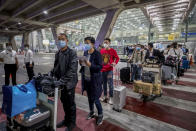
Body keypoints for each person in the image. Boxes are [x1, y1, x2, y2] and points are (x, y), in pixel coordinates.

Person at [50, 33, 78, 131]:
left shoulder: (72, 53)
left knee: (70, 104)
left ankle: (72, 123)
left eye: (63, 39)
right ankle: (66, 120)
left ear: (67, 41)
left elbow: (72, 70)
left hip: (69, 84)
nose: (61, 41)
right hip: (61, 85)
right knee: (64, 103)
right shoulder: (58, 53)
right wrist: (51, 74)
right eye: (59, 39)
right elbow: (56, 68)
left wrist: (61, 81)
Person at [80, 37, 103, 125]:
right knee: (89, 98)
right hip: (86, 79)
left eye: (87, 43)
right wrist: (81, 63)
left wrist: (90, 64)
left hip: (94, 80)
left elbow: (99, 67)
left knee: (96, 99)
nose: (86, 44)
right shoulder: (85, 52)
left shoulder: (97, 54)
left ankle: (100, 114)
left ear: (93, 44)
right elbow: (84, 64)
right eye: (85, 43)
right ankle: (92, 112)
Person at [100, 38, 119, 104]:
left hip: (109, 70)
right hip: (102, 70)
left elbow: (117, 58)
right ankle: (105, 96)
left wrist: (115, 63)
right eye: (104, 42)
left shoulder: (113, 51)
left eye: (106, 42)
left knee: (110, 84)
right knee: (104, 84)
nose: (105, 44)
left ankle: (111, 97)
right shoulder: (101, 51)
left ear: (109, 43)